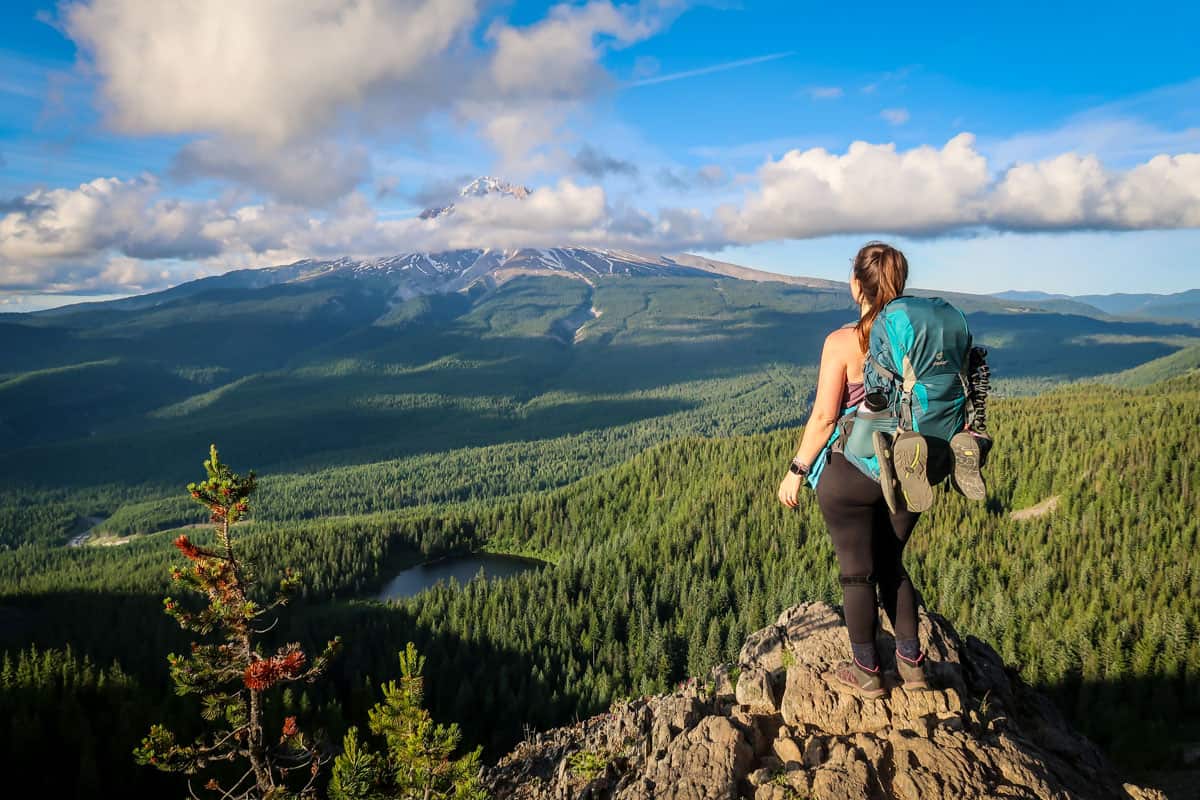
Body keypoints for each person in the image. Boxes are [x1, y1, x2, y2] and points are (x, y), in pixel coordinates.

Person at [777, 242, 927, 697]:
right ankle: (913, 666)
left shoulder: (843, 342)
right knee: (891, 565)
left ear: (857, 285)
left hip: (851, 474)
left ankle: (867, 671)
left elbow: (824, 418)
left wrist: (796, 470)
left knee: (856, 573)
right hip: (909, 468)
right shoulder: (920, 339)